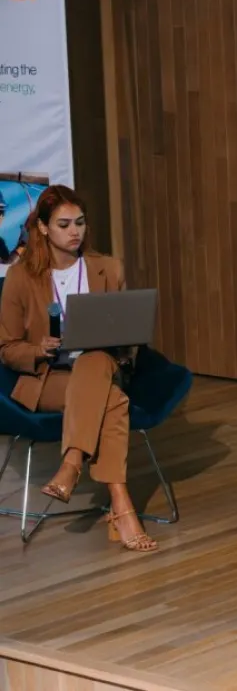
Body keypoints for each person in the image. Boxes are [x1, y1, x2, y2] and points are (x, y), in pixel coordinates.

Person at [0, 185, 157, 552]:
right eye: (64, 224)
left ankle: (71, 465)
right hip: (48, 377)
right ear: (42, 229)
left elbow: (128, 335)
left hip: (101, 365)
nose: (75, 232)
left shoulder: (108, 268)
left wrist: (120, 346)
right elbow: (6, 348)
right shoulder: (21, 278)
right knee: (114, 403)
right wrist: (38, 349)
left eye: (81, 223)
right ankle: (120, 505)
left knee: (95, 359)